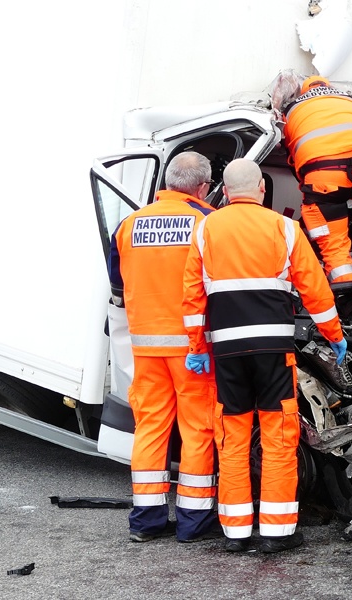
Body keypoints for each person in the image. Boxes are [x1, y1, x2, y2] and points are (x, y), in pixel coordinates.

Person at [182, 159, 347, 553]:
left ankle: (236, 532)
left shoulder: (206, 228)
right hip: (274, 350)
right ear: (260, 189)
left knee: (232, 436)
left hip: (227, 351)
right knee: (278, 436)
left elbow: (192, 295)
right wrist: (334, 335)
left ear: (225, 190)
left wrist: (197, 347)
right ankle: (277, 532)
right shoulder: (284, 228)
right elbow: (315, 288)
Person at [109, 151, 218, 543]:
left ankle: (147, 520)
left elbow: (118, 288)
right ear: (203, 186)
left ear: (168, 182)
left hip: (145, 346)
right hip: (193, 348)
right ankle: (193, 521)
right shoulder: (205, 222)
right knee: (197, 430)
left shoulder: (128, 224)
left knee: (151, 429)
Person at [271, 71, 352, 289]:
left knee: (333, 243)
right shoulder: (348, 100)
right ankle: (351, 217)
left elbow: (291, 154)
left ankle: (347, 291)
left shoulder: (292, 110)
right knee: (344, 196)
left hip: (328, 179)